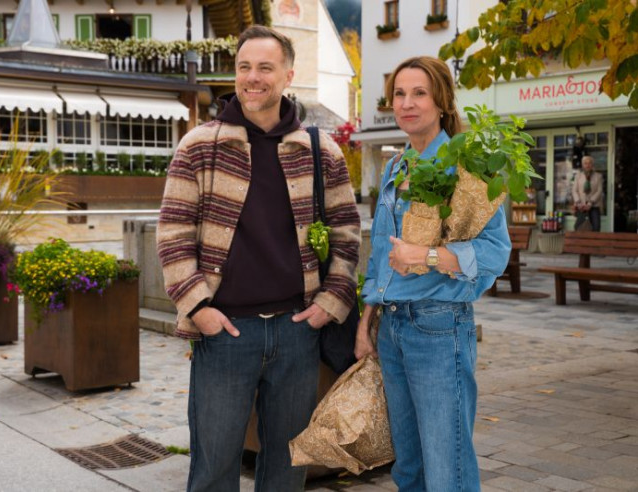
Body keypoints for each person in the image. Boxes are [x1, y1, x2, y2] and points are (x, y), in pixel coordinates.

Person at [156, 25, 360, 492]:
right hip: (225, 332)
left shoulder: (320, 150)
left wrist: (330, 303)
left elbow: (347, 232)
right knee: (213, 468)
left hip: (297, 332)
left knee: (288, 469)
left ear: (288, 75)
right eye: (244, 67)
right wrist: (198, 308)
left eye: (265, 68)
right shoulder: (199, 145)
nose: (252, 78)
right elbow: (173, 232)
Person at [355, 56, 511, 491]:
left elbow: (496, 251)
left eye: (419, 93)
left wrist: (426, 256)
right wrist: (366, 323)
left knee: (447, 468)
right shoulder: (396, 167)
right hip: (392, 328)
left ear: (442, 101)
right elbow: (380, 254)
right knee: (409, 467)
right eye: (399, 94)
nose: (407, 103)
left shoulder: (469, 168)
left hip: (439, 327)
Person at [572, 155, 603, 231]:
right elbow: (574, 190)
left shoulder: (598, 176)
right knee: (579, 227)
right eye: (585, 163)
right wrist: (578, 203)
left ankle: (594, 239)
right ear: (583, 165)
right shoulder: (578, 176)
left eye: (589, 163)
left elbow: (599, 191)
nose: (587, 165)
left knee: (596, 227)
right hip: (581, 206)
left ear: (592, 164)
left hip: (594, 205)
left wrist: (590, 203)